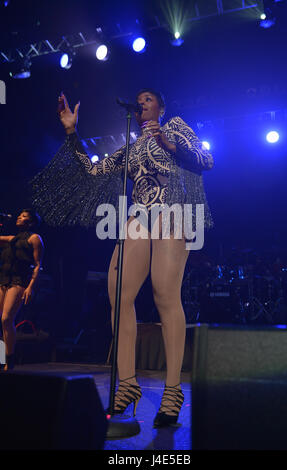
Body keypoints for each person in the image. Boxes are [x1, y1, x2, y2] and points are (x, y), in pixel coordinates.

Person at [30, 89, 214, 427]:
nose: (141, 103)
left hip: (173, 210)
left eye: (148, 99)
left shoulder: (174, 127)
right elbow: (91, 170)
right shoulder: (130, 149)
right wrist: (72, 131)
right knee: (118, 294)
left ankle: (173, 391)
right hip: (139, 215)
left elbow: (206, 160)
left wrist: (170, 144)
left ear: (161, 105)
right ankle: (127, 383)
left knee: (165, 295)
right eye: (139, 99)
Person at [0, 209, 44, 370]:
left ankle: (9, 359)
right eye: (19, 215)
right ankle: (1, 358)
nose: (19, 217)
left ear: (31, 222)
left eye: (24, 216)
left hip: (20, 281)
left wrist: (31, 287)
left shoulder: (34, 238)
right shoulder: (12, 239)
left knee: (6, 319)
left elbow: (38, 265)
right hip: (4, 278)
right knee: (1, 322)